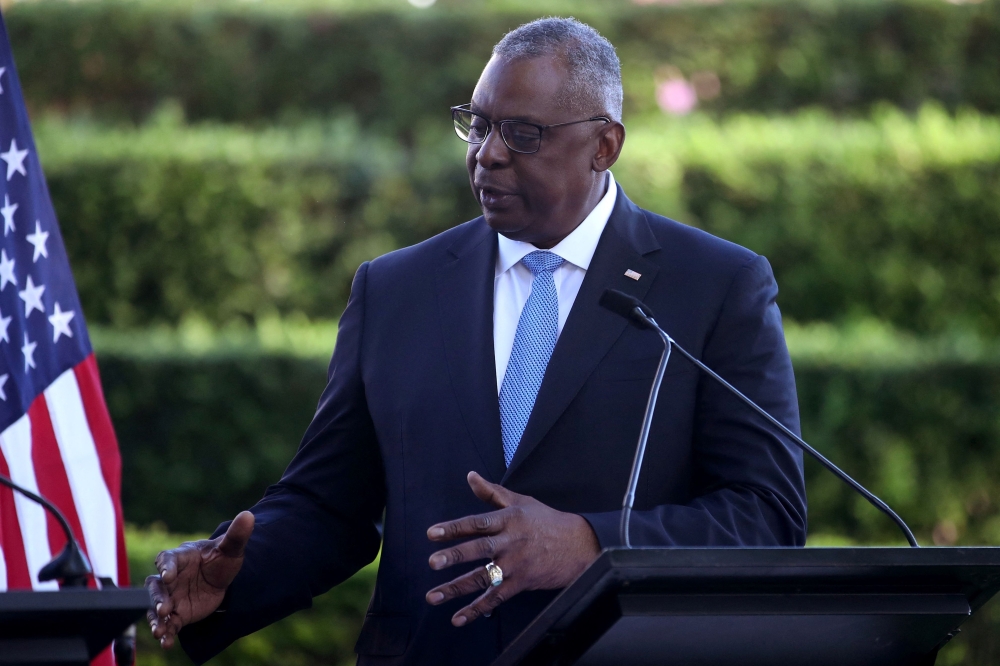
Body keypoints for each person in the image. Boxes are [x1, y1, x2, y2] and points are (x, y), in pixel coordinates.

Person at [146, 17, 806, 665]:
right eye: (479, 123)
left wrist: (588, 545)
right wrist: (234, 575)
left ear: (603, 146)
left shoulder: (714, 286)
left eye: (522, 133)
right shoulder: (395, 288)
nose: (487, 152)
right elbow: (331, 503)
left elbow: (767, 517)